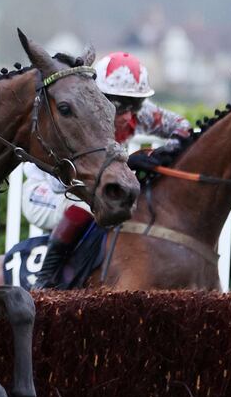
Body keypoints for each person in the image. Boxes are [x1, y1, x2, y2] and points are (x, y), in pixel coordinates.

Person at [21, 51, 191, 288]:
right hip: (48, 190)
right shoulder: (85, 116)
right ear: (98, 96)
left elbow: (183, 127)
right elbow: (66, 182)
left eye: (136, 103)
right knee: (88, 203)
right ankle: (45, 279)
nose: (128, 114)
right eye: (119, 104)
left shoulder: (140, 113)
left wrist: (162, 155)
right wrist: (130, 162)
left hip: (86, 186)